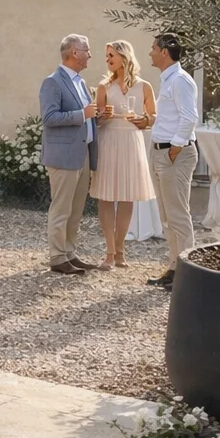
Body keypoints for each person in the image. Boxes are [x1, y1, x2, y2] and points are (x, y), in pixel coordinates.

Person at [90, 40, 157, 269]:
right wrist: (102, 116)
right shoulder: (103, 87)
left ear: (124, 57)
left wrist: (144, 121)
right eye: (106, 56)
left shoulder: (144, 86)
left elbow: (152, 117)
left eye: (111, 55)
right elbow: (96, 120)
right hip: (109, 140)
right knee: (107, 196)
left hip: (131, 141)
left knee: (127, 197)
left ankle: (120, 251)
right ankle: (109, 252)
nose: (108, 60)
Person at [140, 33, 198, 291]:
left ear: (164, 51)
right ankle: (175, 268)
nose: (150, 52)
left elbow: (189, 118)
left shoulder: (181, 80)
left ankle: (188, 275)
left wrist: (174, 149)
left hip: (174, 155)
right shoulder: (168, 80)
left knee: (178, 215)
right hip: (162, 153)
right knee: (167, 216)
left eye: (153, 48)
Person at [39, 34, 100, 275]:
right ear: (74, 52)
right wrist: (82, 114)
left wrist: (95, 115)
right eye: (87, 50)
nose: (90, 55)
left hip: (82, 152)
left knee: (76, 209)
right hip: (63, 156)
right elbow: (49, 118)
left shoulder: (81, 83)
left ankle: (70, 252)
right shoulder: (52, 82)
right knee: (61, 208)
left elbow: (85, 115)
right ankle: (56, 257)